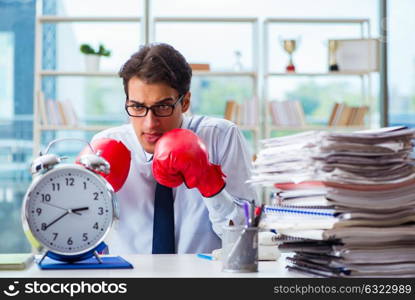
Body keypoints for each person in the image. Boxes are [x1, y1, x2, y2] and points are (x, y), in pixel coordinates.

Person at [87, 42, 257, 254]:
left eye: (163, 107)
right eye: (138, 107)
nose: (150, 123)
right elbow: (80, 232)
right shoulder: (104, 146)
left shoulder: (220, 137)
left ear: (185, 102)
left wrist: (211, 185)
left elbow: (248, 240)